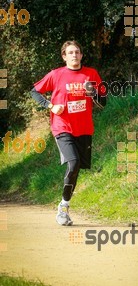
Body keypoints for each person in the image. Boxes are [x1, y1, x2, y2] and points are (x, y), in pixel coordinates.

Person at [31, 40, 106, 226]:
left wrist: (93, 95)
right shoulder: (56, 75)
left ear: (81, 55)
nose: (74, 55)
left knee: (77, 168)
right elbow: (34, 91)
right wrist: (50, 105)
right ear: (64, 56)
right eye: (70, 52)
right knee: (73, 162)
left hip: (84, 129)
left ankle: (65, 205)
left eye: (77, 52)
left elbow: (103, 102)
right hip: (62, 127)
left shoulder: (91, 74)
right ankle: (63, 208)